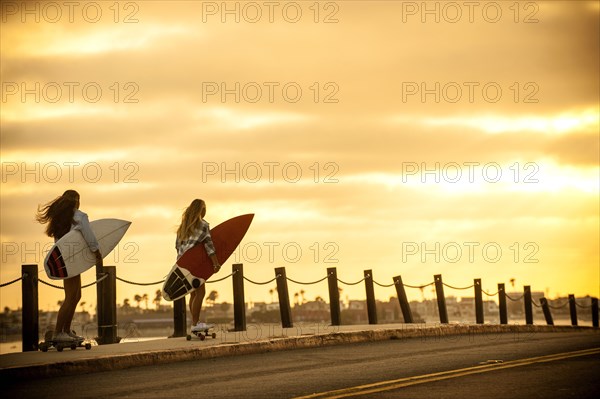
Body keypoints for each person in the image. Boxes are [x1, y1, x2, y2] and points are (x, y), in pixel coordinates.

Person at [36, 190, 103, 342]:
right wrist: (97, 253)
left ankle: (66, 330)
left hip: (64, 261)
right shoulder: (80, 216)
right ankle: (58, 332)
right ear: (76, 201)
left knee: (76, 295)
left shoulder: (60, 218)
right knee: (71, 297)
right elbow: (89, 235)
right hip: (73, 261)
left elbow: (59, 244)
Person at [175, 199, 221, 332]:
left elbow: (177, 247)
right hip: (195, 263)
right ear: (201, 209)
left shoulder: (182, 227)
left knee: (193, 294)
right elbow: (209, 245)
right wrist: (215, 263)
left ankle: (195, 323)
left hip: (183, 263)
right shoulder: (203, 225)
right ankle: (195, 324)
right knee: (201, 292)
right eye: (204, 208)